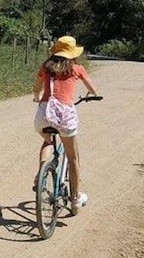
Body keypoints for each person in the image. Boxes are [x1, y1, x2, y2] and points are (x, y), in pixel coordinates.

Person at [32, 35, 98, 209]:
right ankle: (76, 197)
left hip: (43, 114)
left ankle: (41, 175)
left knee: (47, 141)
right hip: (64, 116)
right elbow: (93, 89)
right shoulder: (77, 69)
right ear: (73, 53)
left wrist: (37, 97)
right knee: (73, 157)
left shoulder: (46, 67)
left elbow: (36, 89)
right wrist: (89, 95)